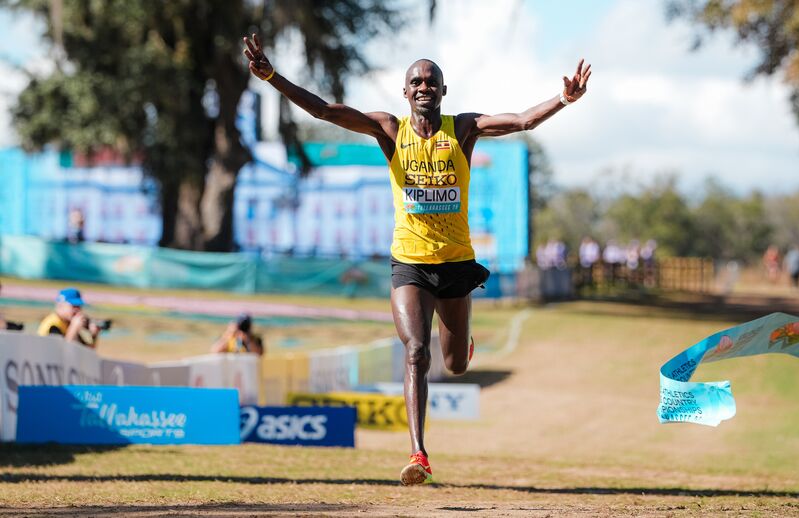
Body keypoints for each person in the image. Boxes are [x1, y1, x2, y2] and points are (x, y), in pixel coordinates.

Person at [243, 33, 591, 485]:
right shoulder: (390, 130)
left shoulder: (462, 128)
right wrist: (273, 77)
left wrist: (564, 99)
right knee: (416, 352)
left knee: (456, 364)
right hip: (409, 262)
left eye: (431, 81)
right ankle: (418, 454)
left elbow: (523, 121)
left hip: (455, 264)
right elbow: (325, 111)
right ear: (405, 92)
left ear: (443, 91)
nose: (424, 86)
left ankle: (462, 341)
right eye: (416, 82)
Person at [37, 288, 102, 348]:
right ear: (61, 305)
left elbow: (86, 351)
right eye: (74, 306)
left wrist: (94, 335)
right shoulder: (52, 325)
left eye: (79, 306)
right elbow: (63, 351)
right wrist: (74, 327)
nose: (77, 310)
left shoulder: (67, 323)